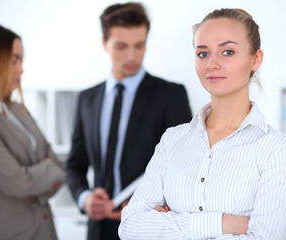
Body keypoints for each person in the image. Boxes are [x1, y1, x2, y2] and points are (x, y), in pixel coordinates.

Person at [118, 8, 286, 240]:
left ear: (256, 59)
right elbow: (131, 226)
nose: (212, 64)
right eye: (203, 54)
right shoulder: (172, 140)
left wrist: (168, 225)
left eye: (227, 51)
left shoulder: (279, 150)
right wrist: (223, 223)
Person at [65, 2, 192, 240]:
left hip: (148, 228)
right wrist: (85, 198)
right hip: (98, 229)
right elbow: (75, 164)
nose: (132, 56)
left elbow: (184, 167)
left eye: (139, 46)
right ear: (105, 44)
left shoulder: (170, 95)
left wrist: (142, 203)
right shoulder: (87, 99)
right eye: (121, 47)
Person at [0, 23, 66, 240]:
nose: (21, 69)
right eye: (14, 60)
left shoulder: (17, 109)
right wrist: (48, 171)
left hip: (44, 230)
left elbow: (55, 160)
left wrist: (38, 179)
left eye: (21, 61)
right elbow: (19, 182)